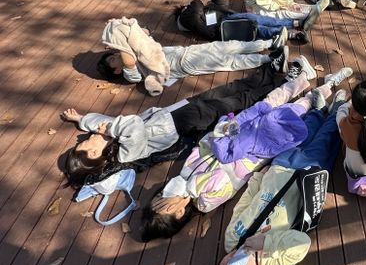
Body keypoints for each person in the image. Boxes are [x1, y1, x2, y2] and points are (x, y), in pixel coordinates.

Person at [140, 65, 353, 241]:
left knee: (269, 102)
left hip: (238, 134)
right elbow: (220, 180)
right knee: (293, 115)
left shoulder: (186, 172)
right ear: (178, 213)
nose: (165, 194)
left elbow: (203, 146)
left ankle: (304, 78)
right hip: (256, 151)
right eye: (164, 204)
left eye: (159, 195)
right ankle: (326, 89)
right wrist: (186, 188)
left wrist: (223, 132)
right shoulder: (204, 202)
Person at [61, 59, 302, 188]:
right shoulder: (124, 153)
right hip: (183, 122)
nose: (92, 137)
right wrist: (110, 129)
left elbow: (106, 122)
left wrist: (82, 119)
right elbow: (132, 126)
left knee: (225, 90)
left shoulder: (111, 139)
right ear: (95, 154)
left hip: (174, 112)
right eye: (88, 144)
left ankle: (268, 72)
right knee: (234, 102)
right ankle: (281, 85)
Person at [216, 91, 346, 265]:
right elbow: (302, 242)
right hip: (303, 178)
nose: (227, 261)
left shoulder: (231, 240)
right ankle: (336, 112)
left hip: (278, 169)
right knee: (325, 139)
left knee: (303, 133)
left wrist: (258, 178)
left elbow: (243, 205)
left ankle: (319, 110)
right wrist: (266, 243)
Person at [97, 17, 288, 96]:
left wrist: (119, 29)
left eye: (114, 54)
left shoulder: (136, 49)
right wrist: (117, 41)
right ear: (116, 70)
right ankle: (270, 60)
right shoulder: (130, 73)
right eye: (112, 59)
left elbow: (143, 33)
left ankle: (269, 44)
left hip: (187, 51)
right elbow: (129, 61)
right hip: (184, 63)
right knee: (228, 61)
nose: (116, 55)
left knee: (229, 46)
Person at [175, 0, 309, 43]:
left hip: (228, 19)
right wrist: (196, 1)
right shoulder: (185, 18)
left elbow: (223, 2)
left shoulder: (204, 10)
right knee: (257, 28)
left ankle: (294, 24)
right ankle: (292, 33)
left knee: (259, 21)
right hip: (222, 28)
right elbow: (195, 12)